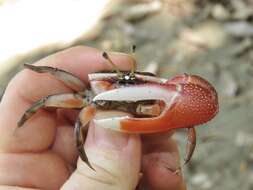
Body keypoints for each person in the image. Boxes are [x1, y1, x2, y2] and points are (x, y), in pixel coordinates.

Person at [0, 46, 186, 190]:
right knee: (49, 102)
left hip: (139, 107)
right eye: (116, 82)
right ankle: (89, 165)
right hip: (94, 101)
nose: (120, 87)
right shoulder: (84, 99)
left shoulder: (151, 99)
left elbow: (175, 108)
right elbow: (52, 80)